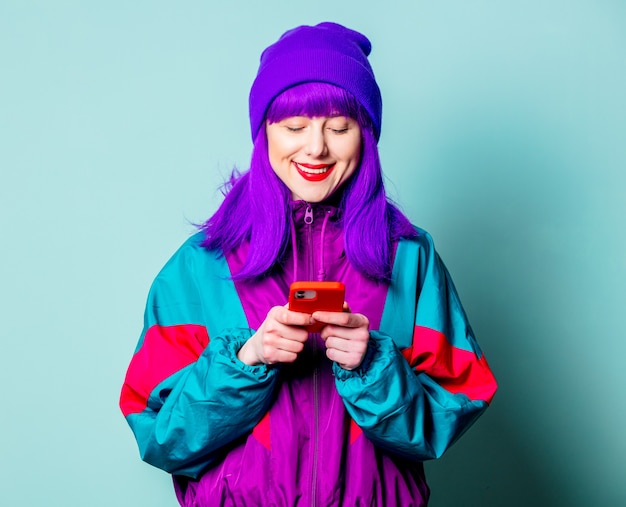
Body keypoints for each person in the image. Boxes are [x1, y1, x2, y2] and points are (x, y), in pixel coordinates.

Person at [119, 22, 497, 506]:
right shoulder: (200, 267)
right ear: (265, 134)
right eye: (294, 127)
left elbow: (442, 422)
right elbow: (160, 437)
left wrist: (374, 366)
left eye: (339, 127)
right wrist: (245, 363)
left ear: (366, 136)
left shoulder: (409, 259)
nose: (316, 147)